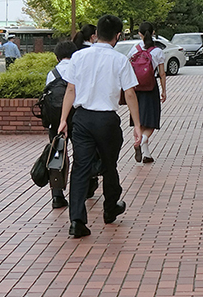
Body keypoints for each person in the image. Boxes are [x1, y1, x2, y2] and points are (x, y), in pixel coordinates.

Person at [58, 14, 142, 238]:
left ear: (97, 34)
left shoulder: (78, 56)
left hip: (82, 118)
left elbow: (70, 90)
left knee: (80, 167)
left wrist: (63, 119)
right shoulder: (119, 60)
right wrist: (137, 125)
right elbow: (130, 93)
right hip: (107, 120)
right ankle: (110, 207)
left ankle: (77, 220)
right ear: (117, 36)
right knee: (109, 164)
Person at [45, 40, 79, 209]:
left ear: (56, 57)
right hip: (77, 117)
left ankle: (57, 195)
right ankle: (85, 188)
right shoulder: (79, 70)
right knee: (82, 154)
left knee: (57, 155)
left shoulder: (52, 73)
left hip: (56, 121)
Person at [127, 22, 167, 164]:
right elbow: (162, 74)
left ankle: (146, 154)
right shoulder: (157, 51)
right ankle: (142, 140)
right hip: (151, 88)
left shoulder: (133, 50)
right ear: (154, 32)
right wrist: (164, 91)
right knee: (150, 122)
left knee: (139, 122)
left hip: (136, 89)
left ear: (139, 34)